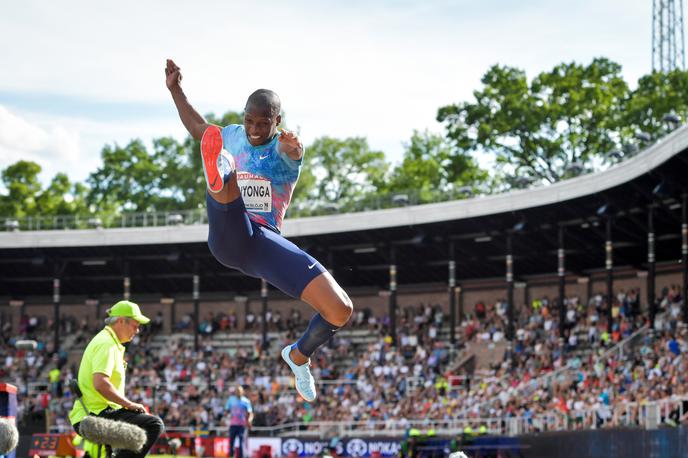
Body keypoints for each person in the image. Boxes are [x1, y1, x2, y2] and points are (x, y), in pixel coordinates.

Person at [165, 58, 353, 402]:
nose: (253, 129)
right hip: (229, 234)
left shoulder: (283, 147)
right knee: (222, 165)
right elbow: (197, 127)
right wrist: (176, 90)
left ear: (277, 121)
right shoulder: (233, 136)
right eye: (249, 121)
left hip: (264, 243)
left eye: (262, 123)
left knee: (340, 309)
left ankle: (298, 357)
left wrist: (294, 148)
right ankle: (219, 172)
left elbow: (291, 150)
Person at [68, 300, 164, 458]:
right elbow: (100, 383)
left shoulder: (109, 342)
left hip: (97, 412)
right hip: (96, 414)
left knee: (142, 425)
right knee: (153, 425)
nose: (138, 330)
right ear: (120, 321)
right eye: (135, 325)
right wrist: (129, 404)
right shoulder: (107, 344)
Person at [225, 385, 253, 458]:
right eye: (237, 391)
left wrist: (249, 421)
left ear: (242, 392)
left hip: (242, 425)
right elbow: (226, 410)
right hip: (233, 425)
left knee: (241, 443)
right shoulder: (231, 399)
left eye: (239, 391)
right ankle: (231, 456)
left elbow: (250, 413)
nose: (238, 393)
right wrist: (227, 416)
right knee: (231, 442)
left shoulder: (246, 401)